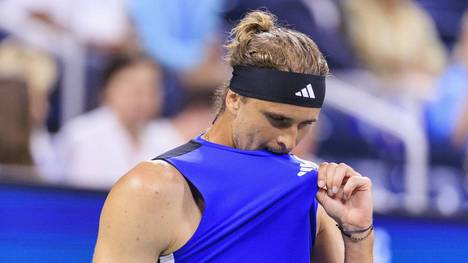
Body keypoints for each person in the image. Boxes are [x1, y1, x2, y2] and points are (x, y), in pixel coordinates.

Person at [93, 11, 373, 262]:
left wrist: (358, 232)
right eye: (278, 120)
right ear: (234, 99)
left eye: (304, 125)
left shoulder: (312, 194)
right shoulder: (151, 188)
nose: (288, 141)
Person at [57, 53, 183, 189]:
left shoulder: (168, 138)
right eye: (134, 89)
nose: (142, 98)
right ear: (108, 88)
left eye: (151, 89)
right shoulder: (81, 135)